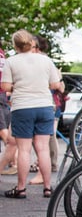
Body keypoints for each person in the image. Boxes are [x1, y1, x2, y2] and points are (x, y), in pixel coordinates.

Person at [0, 29, 64, 199]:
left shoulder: (11, 62)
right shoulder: (45, 60)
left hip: (22, 108)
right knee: (42, 148)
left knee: (24, 150)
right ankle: (48, 187)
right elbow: (55, 83)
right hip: (44, 106)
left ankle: (21, 189)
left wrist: (19, 87)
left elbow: (5, 86)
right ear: (31, 43)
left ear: (15, 45)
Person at [29, 35, 65, 184]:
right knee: (46, 137)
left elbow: (59, 86)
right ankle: (47, 167)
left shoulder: (44, 61)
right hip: (47, 103)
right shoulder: (43, 61)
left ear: (37, 47)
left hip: (48, 103)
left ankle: (50, 165)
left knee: (47, 138)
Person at [0, 46, 17, 175]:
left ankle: (15, 161)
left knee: (3, 130)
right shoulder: (1, 53)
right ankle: (14, 161)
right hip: (3, 94)